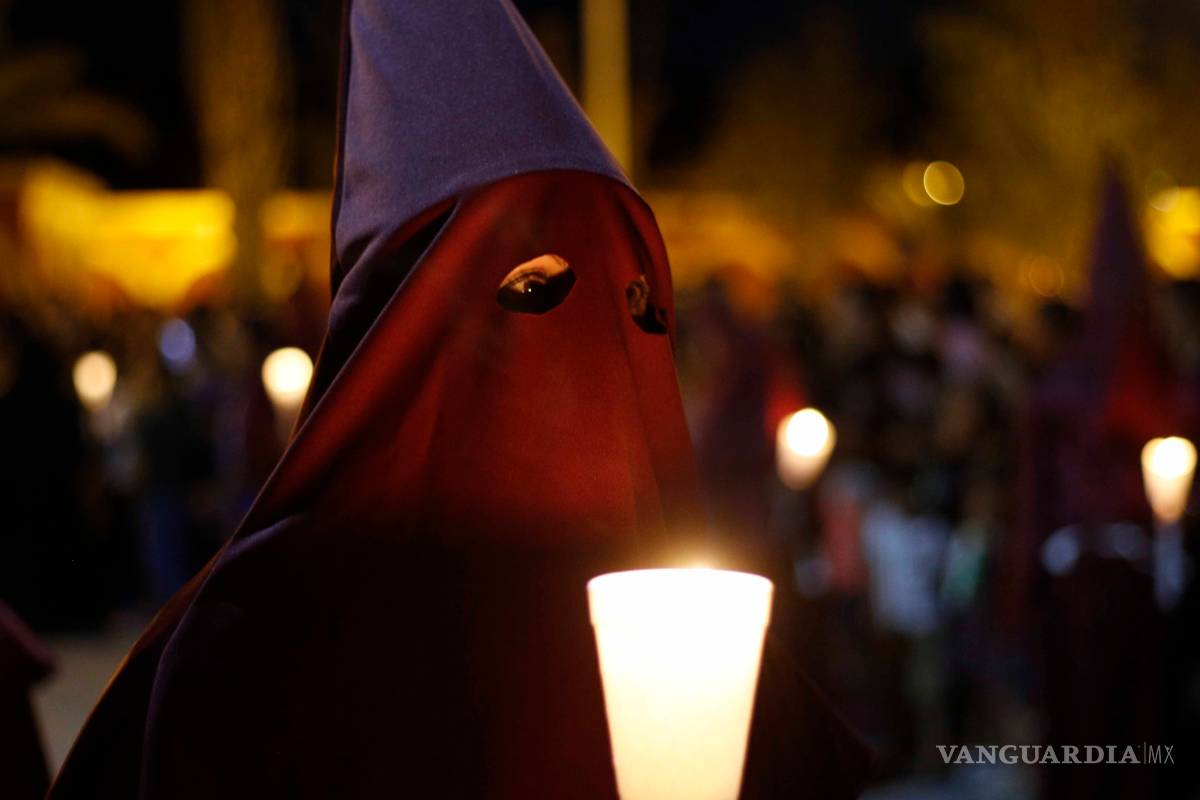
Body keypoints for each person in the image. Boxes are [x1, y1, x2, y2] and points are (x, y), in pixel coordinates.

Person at [49, 2, 867, 797]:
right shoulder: (254, 648)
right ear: (402, 331)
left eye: (632, 302)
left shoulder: (710, 654)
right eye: (534, 291)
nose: (589, 354)